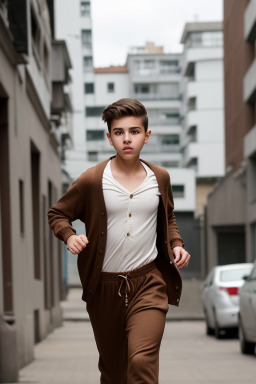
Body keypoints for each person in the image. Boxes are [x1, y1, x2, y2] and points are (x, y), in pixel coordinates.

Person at [48, 98, 190, 384]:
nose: (127, 139)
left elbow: (168, 215)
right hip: (104, 287)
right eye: (119, 132)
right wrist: (69, 235)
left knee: (140, 360)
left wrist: (176, 243)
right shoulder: (91, 180)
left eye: (134, 132)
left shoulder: (160, 177)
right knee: (114, 372)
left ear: (146, 136)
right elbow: (57, 213)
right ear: (109, 137)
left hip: (148, 282)